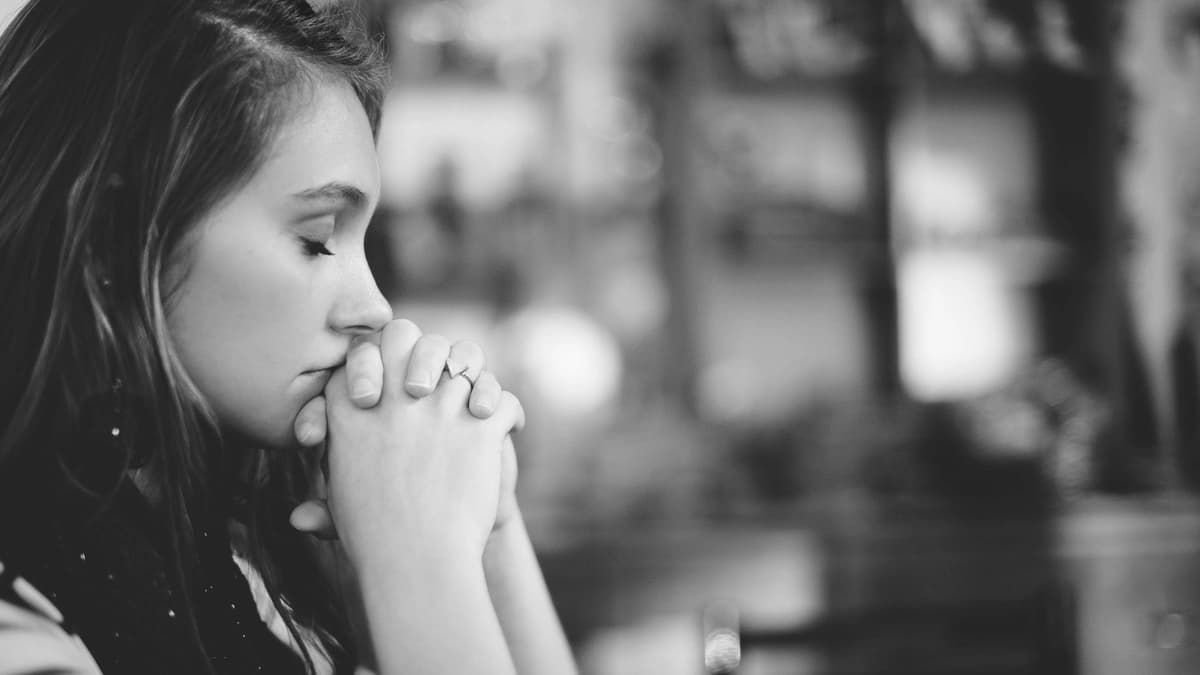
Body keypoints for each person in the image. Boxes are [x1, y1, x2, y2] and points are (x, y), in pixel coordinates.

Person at [0, 1, 577, 673]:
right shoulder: (25, 610)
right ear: (112, 238)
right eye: (316, 238)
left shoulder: (246, 548)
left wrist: (487, 527)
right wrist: (417, 558)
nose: (377, 309)